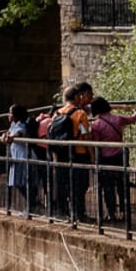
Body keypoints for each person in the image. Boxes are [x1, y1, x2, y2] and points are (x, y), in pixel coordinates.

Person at [42, 83, 93, 220]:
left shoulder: (56, 113)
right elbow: (86, 136)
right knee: (80, 185)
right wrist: (93, 156)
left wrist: (54, 156)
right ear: (76, 97)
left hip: (61, 154)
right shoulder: (80, 113)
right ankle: (79, 213)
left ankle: (63, 212)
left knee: (63, 183)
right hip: (79, 153)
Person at [84, 96, 136, 220]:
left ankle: (111, 213)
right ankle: (125, 212)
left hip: (105, 158)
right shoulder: (118, 119)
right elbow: (132, 119)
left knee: (108, 187)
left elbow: (97, 144)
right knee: (122, 185)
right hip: (120, 156)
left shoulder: (96, 125)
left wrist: (94, 159)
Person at [6, 103, 36, 212]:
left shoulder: (21, 125)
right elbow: (7, 135)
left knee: (23, 182)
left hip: (24, 157)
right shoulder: (13, 125)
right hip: (17, 157)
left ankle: (33, 204)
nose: (8, 115)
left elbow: (17, 134)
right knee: (17, 182)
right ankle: (32, 204)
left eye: (10, 113)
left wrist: (10, 137)